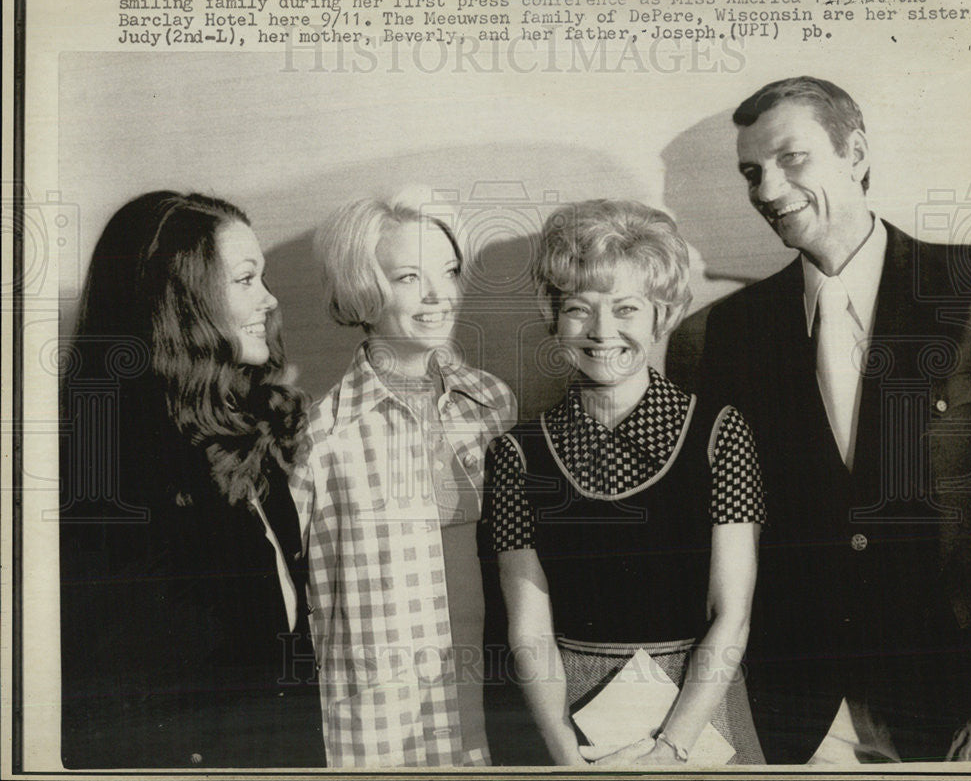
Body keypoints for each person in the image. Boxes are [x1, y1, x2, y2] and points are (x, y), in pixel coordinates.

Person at [695, 76, 971, 763]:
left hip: (950, 706)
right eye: (751, 172)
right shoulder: (732, 330)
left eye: (790, 158)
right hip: (795, 715)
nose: (767, 191)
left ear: (855, 150)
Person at [482, 199, 766, 766]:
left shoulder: (720, 435)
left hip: (701, 713)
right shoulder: (517, 454)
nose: (602, 331)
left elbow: (731, 613)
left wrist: (671, 749)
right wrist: (566, 754)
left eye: (627, 308)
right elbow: (530, 626)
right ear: (552, 313)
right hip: (572, 715)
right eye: (580, 309)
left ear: (664, 314)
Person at [59, 191, 324, 768]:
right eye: (246, 279)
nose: (271, 300)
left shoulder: (248, 427)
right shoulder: (105, 473)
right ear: (181, 303)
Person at [290, 199, 517, 767]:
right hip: (387, 726)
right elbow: (292, 606)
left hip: (496, 704)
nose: (439, 295)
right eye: (410, 277)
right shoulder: (321, 437)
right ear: (363, 290)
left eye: (447, 272)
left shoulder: (492, 403)